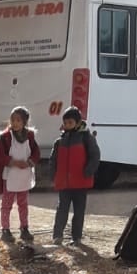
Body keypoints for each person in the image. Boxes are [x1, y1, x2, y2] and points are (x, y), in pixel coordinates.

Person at [49, 105, 100, 246]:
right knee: (62, 210)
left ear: (78, 123)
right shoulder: (59, 141)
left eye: (70, 123)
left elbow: (95, 156)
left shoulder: (86, 138)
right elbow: (53, 160)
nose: (67, 126)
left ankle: (76, 237)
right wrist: (53, 175)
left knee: (78, 212)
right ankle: (57, 236)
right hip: (64, 184)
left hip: (80, 183)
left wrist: (88, 171)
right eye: (65, 123)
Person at [0, 106, 41, 243]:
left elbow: (36, 153)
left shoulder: (30, 136)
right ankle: (5, 229)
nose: (15, 123)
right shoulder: (5, 137)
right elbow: (0, 156)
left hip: (24, 176)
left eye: (18, 120)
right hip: (10, 176)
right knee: (6, 204)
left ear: (24, 122)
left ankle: (24, 228)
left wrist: (30, 162)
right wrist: (13, 162)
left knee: (23, 204)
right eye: (13, 120)